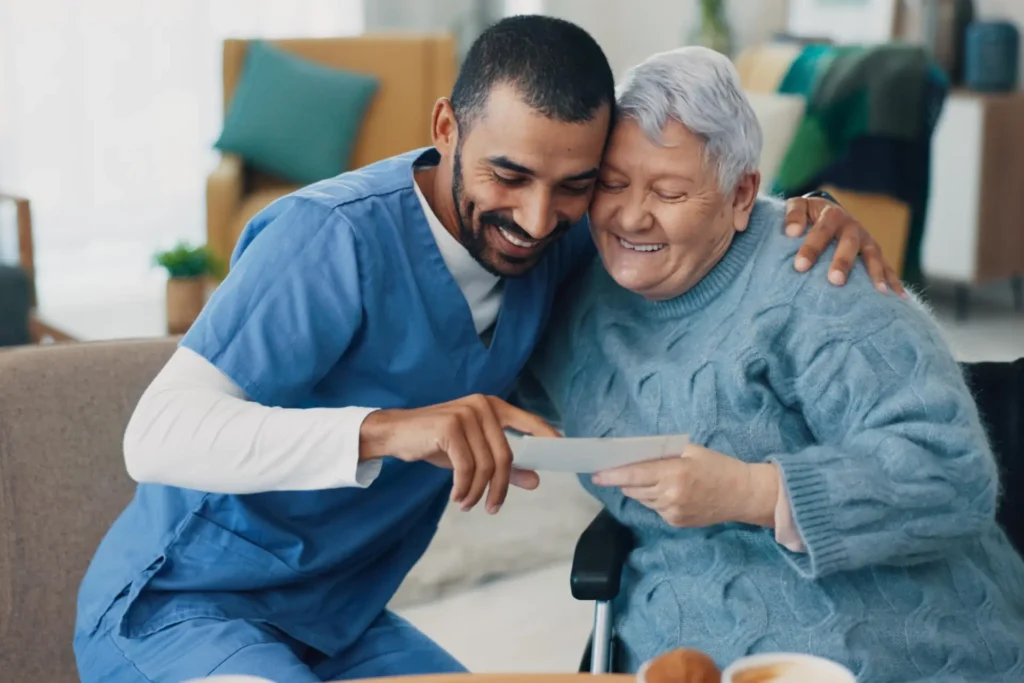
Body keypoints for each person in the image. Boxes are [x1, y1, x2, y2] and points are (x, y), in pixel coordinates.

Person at [73, 17, 901, 683]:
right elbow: (155, 435)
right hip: (187, 609)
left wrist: (804, 211)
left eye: (575, 184)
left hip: (342, 621)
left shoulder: (560, 238)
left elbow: (685, 211)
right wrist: (394, 429)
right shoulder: (327, 240)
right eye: (509, 176)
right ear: (446, 127)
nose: (538, 218)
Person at [517, 46, 1024, 683]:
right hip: (681, 647)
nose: (630, 215)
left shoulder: (821, 278)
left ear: (742, 194)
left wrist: (752, 492)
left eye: (669, 191)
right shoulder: (577, 289)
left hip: (894, 644)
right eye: (612, 183)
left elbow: (954, 473)